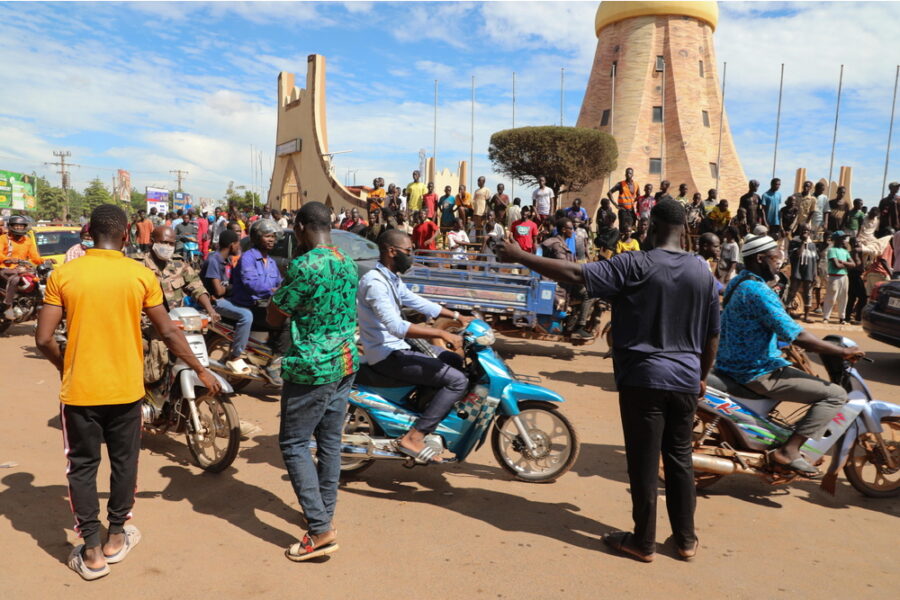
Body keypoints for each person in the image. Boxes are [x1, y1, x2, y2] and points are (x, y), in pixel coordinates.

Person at [495, 199, 719, 563]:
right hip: (685, 381)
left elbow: (577, 275)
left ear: (652, 224)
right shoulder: (703, 272)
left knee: (644, 464)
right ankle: (686, 540)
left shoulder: (635, 263)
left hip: (644, 380)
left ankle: (643, 541)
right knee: (680, 460)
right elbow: (712, 335)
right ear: (682, 229)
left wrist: (519, 256)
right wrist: (701, 377)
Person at [34, 204, 221, 581]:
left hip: (81, 391)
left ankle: (91, 551)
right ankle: (116, 537)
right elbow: (168, 332)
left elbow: (42, 339)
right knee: (125, 464)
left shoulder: (64, 274)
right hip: (126, 391)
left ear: (89, 233)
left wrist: (64, 367)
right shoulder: (139, 275)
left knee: (82, 468)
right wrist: (201, 368)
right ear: (126, 236)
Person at [715, 233, 862, 477]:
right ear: (760, 259)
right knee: (835, 395)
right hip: (756, 370)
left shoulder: (739, 281)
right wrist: (843, 351)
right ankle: (789, 451)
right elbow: (800, 337)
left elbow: (760, 324)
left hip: (733, 362)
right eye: (775, 258)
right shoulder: (758, 291)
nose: (779, 263)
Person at [261, 202, 359, 562]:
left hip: (312, 368)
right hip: (346, 361)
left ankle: (319, 530)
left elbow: (274, 317)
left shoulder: (304, 265)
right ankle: (323, 515)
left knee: (294, 443)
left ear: (300, 226)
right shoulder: (347, 261)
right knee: (330, 442)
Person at [357, 229, 472, 462]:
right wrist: (440, 332)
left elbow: (416, 301)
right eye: (408, 252)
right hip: (387, 355)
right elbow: (396, 326)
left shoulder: (390, 278)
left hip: (398, 347)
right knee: (457, 381)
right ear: (392, 252)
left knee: (454, 360)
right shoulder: (374, 283)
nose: (411, 257)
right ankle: (415, 436)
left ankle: (426, 411)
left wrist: (457, 316)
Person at [231, 219, 285, 385]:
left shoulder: (271, 262)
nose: (271, 240)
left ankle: (272, 353)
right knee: (287, 322)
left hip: (265, 305)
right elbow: (251, 284)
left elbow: (279, 282)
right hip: (250, 306)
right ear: (256, 238)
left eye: (273, 237)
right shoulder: (248, 258)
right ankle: (274, 365)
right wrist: (273, 290)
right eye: (267, 236)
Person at [200, 229, 253, 374]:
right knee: (246, 316)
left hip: (225, 298)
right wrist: (233, 287)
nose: (239, 247)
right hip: (214, 302)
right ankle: (236, 355)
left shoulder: (227, 260)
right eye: (237, 244)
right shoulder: (213, 260)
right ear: (231, 245)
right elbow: (218, 290)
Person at [540, 218, 593, 339]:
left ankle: (572, 322)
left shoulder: (561, 243)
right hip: (559, 283)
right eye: (571, 228)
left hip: (562, 280)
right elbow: (564, 267)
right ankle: (579, 327)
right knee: (589, 294)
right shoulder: (557, 246)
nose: (573, 231)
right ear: (564, 230)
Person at [1, 215, 43, 320]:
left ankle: (31, 303)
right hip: (5, 268)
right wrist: (8, 259)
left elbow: (35, 257)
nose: (19, 228)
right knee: (15, 278)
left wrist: (44, 261)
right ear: (11, 226)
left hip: (22, 268)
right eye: (17, 226)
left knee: (38, 280)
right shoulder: (3, 239)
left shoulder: (27, 240)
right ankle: (8, 305)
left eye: (21, 226)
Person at [786, 225, 818, 323]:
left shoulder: (812, 245)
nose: (805, 232)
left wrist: (815, 274)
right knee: (792, 292)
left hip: (808, 271)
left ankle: (806, 316)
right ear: (800, 231)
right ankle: (786, 315)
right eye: (803, 230)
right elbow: (798, 254)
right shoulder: (794, 242)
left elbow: (815, 261)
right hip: (797, 270)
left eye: (807, 230)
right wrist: (803, 243)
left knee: (808, 293)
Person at [822, 231, 854, 324]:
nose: (844, 240)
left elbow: (853, 264)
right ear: (836, 239)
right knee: (831, 297)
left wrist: (843, 262)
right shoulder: (832, 250)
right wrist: (847, 264)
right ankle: (826, 317)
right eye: (842, 238)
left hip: (844, 276)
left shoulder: (845, 251)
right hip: (834, 277)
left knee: (843, 297)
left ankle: (842, 318)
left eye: (844, 238)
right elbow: (836, 265)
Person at [845, 237, 867, 323]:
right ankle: (858, 317)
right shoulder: (856, 250)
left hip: (852, 275)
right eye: (857, 242)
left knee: (852, 297)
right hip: (855, 275)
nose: (859, 243)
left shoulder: (852, 251)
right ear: (853, 243)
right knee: (863, 297)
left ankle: (847, 317)